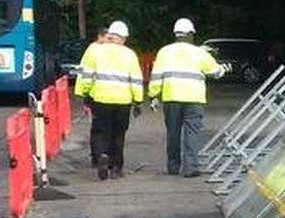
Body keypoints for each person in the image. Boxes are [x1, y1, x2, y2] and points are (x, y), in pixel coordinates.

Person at [148, 18, 226, 177]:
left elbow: (156, 76)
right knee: (192, 133)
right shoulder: (199, 52)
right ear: (190, 34)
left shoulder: (164, 52)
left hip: (171, 98)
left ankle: (173, 166)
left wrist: (153, 95)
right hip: (194, 99)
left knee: (173, 133)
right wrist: (223, 69)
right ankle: (191, 168)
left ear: (175, 34)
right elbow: (215, 72)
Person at [75, 20, 144, 180]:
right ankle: (116, 168)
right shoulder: (130, 54)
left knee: (100, 131)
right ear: (123, 38)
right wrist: (138, 101)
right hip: (123, 101)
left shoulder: (96, 52)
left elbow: (87, 76)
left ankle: (101, 157)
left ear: (111, 35)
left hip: (100, 99)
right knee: (118, 134)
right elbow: (136, 80)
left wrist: (86, 94)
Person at [77, 25, 109, 166]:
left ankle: (97, 156)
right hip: (97, 94)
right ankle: (101, 155)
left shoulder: (92, 50)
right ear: (100, 36)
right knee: (101, 127)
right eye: (108, 38)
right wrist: (86, 95)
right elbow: (86, 74)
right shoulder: (96, 50)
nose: (110, 40)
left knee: (98, 127)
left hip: (96, 94)